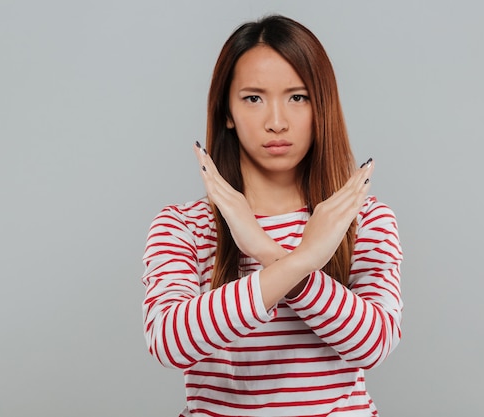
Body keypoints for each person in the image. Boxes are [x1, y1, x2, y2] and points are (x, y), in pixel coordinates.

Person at [141, 15, 403, 417]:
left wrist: (265, 250)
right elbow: (170, 342)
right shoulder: (184, 226)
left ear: (322, 107)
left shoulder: (360, 218)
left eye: (298, 97)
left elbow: (373, 344)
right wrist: (301, 259)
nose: (276, 122)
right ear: (226, 111)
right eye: (253, 98)